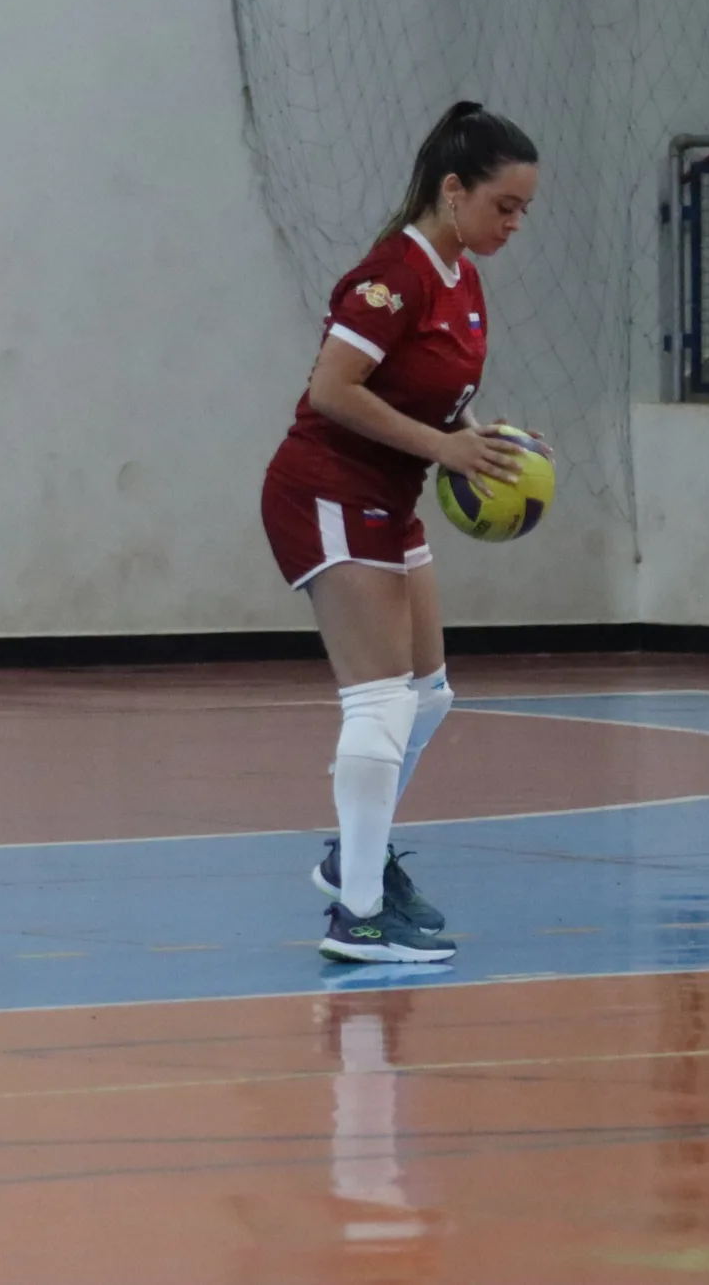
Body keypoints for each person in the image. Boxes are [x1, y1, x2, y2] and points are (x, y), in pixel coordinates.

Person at [259, 101, 541, 964]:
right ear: (453, 190)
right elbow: (332, 389)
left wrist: (485, 443)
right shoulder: (393, 276)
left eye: (523, 210)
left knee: (430, 691)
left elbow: (436, 400)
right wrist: (444, 448)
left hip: (389, 494)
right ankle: (359, 914)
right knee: (380, 700)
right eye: (503, 205)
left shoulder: (463, 279)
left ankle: (356, 854)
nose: (514, 223)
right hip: (328, 489)